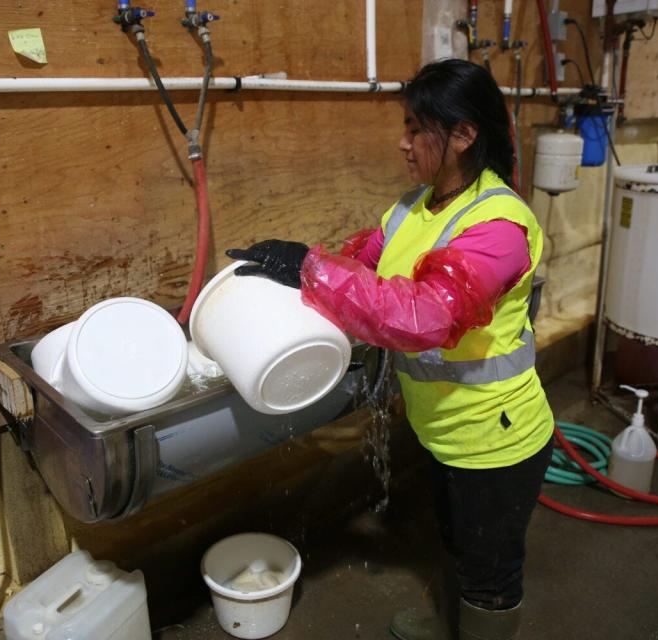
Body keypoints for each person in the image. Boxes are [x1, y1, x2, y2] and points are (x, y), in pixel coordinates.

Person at [226, 59, 554, 640]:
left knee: (491, 569)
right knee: (454, 539)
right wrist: (295, 280)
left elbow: (424, 316)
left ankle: (477, 624)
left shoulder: (498, 226)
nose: (402, 144)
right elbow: (362, 271)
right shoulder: (410, 208)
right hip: (445, 430)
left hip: (496, 440)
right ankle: (448, 619)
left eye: (414, 128)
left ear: (463, 135)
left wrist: (308, 266)